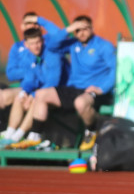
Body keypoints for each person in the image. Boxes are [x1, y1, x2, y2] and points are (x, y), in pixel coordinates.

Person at [28, 15, 116, 150]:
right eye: (78, 30)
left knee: (80, 103)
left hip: (95, 91)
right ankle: (35, 137)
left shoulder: (104, 46)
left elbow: (116, 70)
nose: (81, 33)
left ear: (92, 29)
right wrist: (68, 29)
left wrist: (102, 88)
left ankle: (91, 132)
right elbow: (51, 45)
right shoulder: (73, 43)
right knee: (40, 94)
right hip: (74, 88)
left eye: (85, 29)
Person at [0, 26, 68, 147]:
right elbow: (30, 79)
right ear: (26, 45)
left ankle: (18, 136)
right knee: (20, 98)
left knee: (37, 98)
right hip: (42, 91)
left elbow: (53, 82)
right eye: (32, 43)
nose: (36, 46)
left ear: (42, 41)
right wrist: (25, 92)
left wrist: (32, 95)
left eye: (38, 42)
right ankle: (10, 134)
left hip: (60, 92)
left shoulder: (52, 55)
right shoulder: (28, 57)